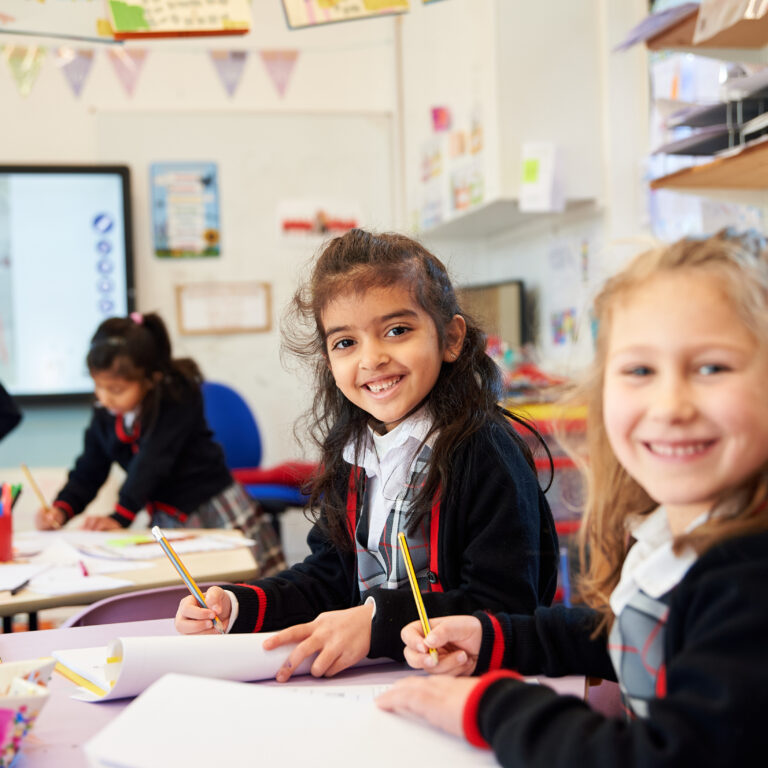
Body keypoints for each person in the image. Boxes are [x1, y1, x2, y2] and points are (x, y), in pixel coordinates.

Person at [377, 229, 768, 766]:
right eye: (639, 371)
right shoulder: (674, 533)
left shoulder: (748, 576)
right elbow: (626, 636)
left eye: (712, 368)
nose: (671, 405)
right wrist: (495, 639)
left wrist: (491, 706)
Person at [175, 228, 558, 681]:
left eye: (397, 330)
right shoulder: (356, 453)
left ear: (451, 338)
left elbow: (505, 607)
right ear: (328, 359)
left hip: (476, 693)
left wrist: (377, 624)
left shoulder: (485, 451)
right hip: (383, 688)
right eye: (346, 342)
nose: (371, 358)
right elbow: (331, 578)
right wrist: (236, 605)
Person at [35, 312, 285, 576]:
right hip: (167, 517)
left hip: (212, 509)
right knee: (189, 602)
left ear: (149, 379)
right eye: (98, 386)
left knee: (250, 591)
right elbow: (90, 468)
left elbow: (152, 461)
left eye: (116, 389)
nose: (105, 398)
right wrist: (62, 509)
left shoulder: (177, 396)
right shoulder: (106, 412)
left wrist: (119, 516)